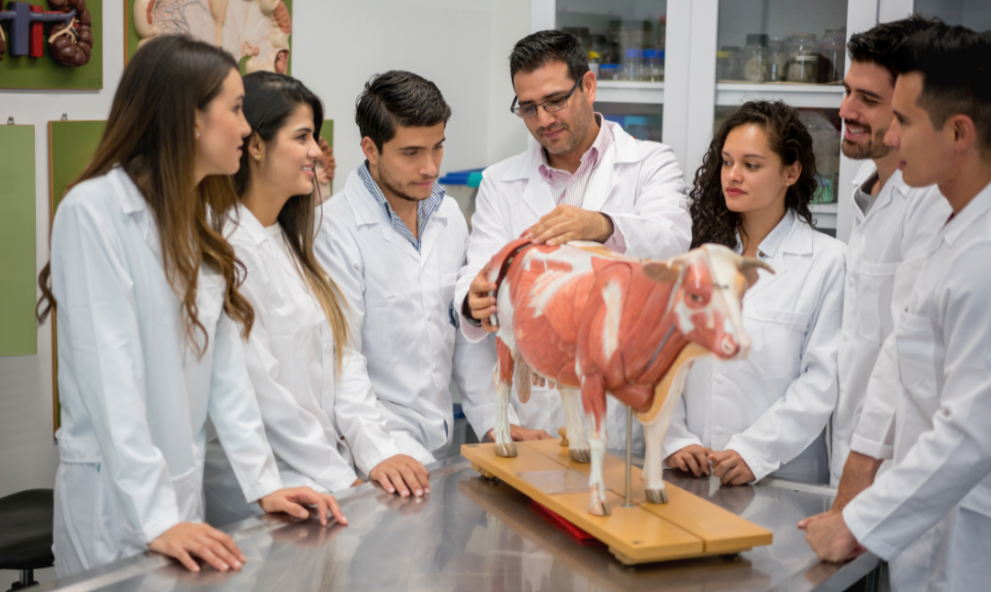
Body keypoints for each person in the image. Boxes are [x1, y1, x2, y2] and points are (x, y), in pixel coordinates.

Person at [38, 36, 343, 577]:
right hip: (113, 500)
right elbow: (110, 373)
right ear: (190, 119)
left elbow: (226, 372)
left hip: (179, 494)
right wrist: (156, 518)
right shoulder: (94, 211)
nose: (247, 128)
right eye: (234, 109)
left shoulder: (195, 219)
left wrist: (265, 485)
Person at [801, 25, 991, 591]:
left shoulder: (982, 257)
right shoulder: (956, 232)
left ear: (959, 132)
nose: (893, 138)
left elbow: (973, 430)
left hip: (966, 528)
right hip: (924, 513)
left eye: (904, 122)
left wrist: (860, 518)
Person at [203, 72, 432, 524]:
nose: (316, 151)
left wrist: (375, 453)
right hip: (262, 479)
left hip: (320, 466)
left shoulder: (294, 243)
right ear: (255, 145)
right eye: (302, 136)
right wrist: (342, 476)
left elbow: (343, 360)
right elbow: (260, 391)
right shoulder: (229, 248)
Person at [457, 30, 691, 450]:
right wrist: (473, 303)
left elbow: (672, 242)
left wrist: (599, 224)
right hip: (534, 418)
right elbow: (479, 276)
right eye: (528, 108)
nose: (543, 120)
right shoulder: (500, 182)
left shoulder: (649, 163)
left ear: (588, 85)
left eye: (555, 100)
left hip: (618, 415)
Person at [315, 70, 497, 465]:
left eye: (437, 148)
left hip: (438, 436)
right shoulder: (334, 227)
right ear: (371, 148)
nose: (430, 167)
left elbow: (465, 334)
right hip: (373, 442)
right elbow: (341, 357)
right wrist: (379, 452)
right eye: (411, 153)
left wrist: (492, 421)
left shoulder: (447, 213)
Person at [663, 101, 845, 486]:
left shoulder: (828, 261)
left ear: (791, 172)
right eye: (727, 162)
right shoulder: (697, 254)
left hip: (780, 476)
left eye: (751, 165)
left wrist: (757, 451)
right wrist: (674, 438)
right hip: (692, 468)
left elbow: (822, 381)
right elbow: (666, 358)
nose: (733, 175)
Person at [829, 15, 950, 487]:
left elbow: (907, 348)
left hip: (896, 469)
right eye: (847, 91)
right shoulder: (868, 188)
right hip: (852, 457)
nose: (845, 110)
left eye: (869, 100)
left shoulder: (931, 200)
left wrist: (860, 472)